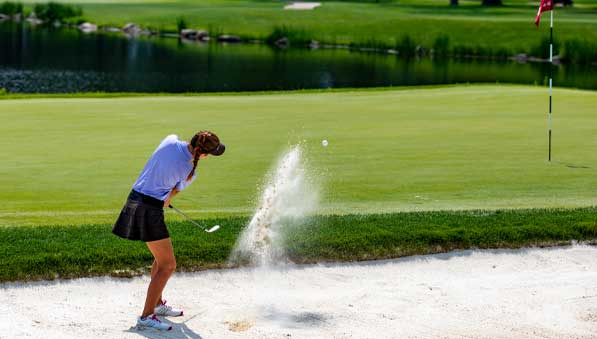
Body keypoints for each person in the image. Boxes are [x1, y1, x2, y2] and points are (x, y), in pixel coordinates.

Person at [112, 131, 225, 331]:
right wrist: (168, 196)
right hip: (148, 209)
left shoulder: (170, 140)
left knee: (160, 259)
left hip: (135, 200)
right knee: (168, 265)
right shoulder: (190, 171)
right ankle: (146, 316)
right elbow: (169, 197)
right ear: (205, 155)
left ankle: (157, 304)